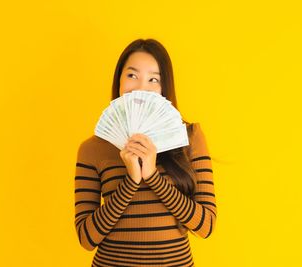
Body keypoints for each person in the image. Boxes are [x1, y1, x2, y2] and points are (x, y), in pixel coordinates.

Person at [74, 38, 217, 267]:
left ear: (164, 88)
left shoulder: (189, 138)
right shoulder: (92, 149)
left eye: (153, 79)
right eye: (132, 75)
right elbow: (87, 238)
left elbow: (205, 226)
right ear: (119, 81)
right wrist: (131, 181)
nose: (141, 88)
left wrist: (152, 177)